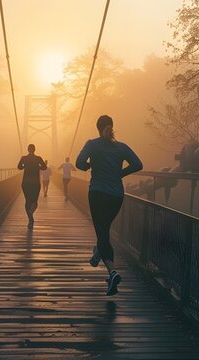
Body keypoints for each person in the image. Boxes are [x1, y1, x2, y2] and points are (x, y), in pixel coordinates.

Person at [76, 115, 142, 296]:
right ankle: (98, 252)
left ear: (98, 128)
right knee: (104, 229)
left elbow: (79, 163)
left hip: (97, 193)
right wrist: (120, 173)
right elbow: (138, 164)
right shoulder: (122, 147)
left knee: (102, 233)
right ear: (112, 127)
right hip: (116, 196)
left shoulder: (92, 144)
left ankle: (112, 272)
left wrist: (90, 165)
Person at [18, 144, 47, 228]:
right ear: (34, 149)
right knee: (34, 201)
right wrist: (38, 167)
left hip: (26, 182)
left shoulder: (24, 158)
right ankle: (31, 216)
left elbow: (19, 167)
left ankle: (30, 220)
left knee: (27, 201)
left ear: (28, 149)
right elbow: (44, 167)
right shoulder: (38, 158)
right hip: (35, 182)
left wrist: (25, 165)